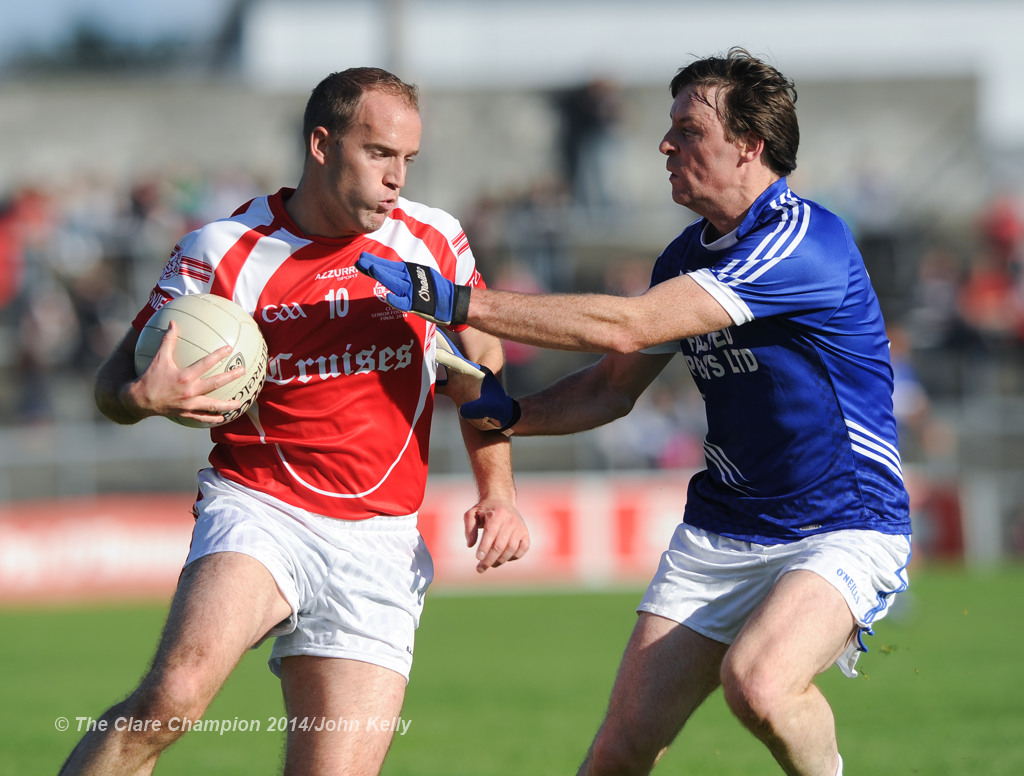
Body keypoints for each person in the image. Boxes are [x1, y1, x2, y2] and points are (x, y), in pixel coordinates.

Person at [357, 48, 912, 776]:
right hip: (724, 531)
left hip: (844, 522)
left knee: (759, 683)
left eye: (688, 129)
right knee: (621, 747)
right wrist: (511, 412)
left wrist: (451, 300)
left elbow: (629, 326)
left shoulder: (804, 241)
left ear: (748, 145)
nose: (666, 144)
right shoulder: (684, 257)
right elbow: (608, 389)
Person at [60, 67, 529, 776]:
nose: (397, 178)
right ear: (321, 143)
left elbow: (480, 369)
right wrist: (140, 399)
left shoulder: (434, 239)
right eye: (379, 154)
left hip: (381, 540)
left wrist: (499, 492)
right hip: (261, 507)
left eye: (408, 160)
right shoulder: (219, 251)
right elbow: (111, 383)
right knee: (172, 697)